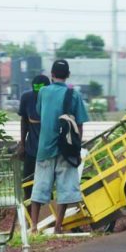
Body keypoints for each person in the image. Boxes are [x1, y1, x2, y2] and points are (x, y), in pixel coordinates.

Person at [29, 60, 89, 234]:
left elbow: (40, 113)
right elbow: (79, 124)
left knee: (39, 187)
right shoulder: (74, 95)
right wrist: (76, 147)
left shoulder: (43, 93)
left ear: (52, 74)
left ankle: (33, 227)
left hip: (45, 147)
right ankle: (58, 227)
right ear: (68, 75)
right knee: (65, 188)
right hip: (66, 148)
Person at [17, 73, 51, 200]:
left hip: (49, 150)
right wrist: (22, 144)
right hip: (32, 149)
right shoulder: (27, 98)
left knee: (46, 185)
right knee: (27, 182)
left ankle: (47, 213)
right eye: (36, 90)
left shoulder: (54, 100)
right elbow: (24, 121)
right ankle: (28, 213)